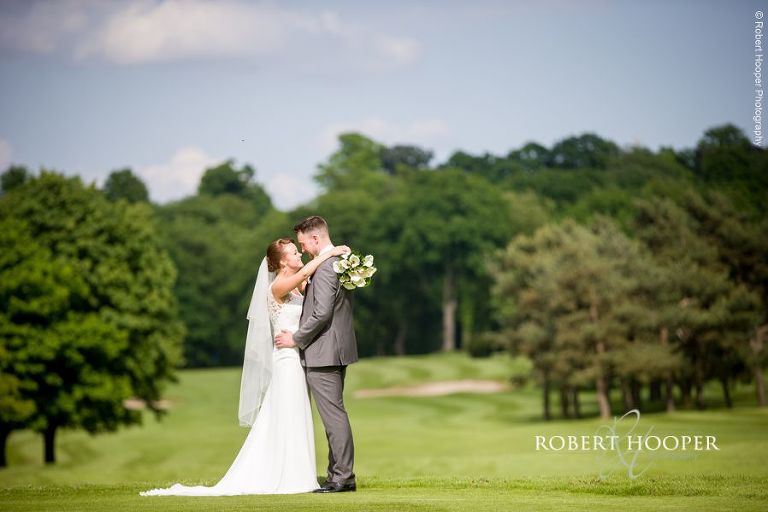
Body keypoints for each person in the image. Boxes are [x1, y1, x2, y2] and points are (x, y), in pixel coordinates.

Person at [140, 238, 349, 496]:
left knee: (298, 414)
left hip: (298, 357)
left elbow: (313, 292)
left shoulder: (298, 287)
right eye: (294, 253)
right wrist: (332, 253)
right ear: (283, 261)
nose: (299, 255)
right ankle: (289, 475)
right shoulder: (279, 285)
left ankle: (299, 471)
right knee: (290, 413)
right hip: (287, 360)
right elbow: (307, 271)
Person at [275, 216, 358, 493]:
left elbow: (321, 313)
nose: (302, 248)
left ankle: (342, 477)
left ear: (315, 238)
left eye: (302, 243)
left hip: (323, 352)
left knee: (333, 416)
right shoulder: (335, 263)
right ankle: (338, 473)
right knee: (335, 414)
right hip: (336, 349)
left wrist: (296, 338)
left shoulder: (325, 269)